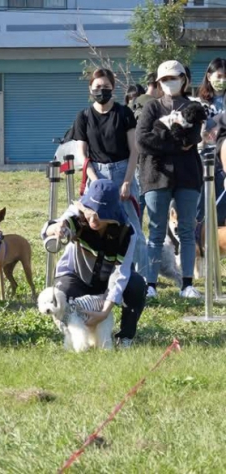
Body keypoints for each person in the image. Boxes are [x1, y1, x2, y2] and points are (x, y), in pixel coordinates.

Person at [42, 179, 146, 348]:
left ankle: (125, 337)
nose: (93, 219)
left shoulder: (127, 232)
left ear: (113, 214)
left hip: (107, 282)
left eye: (101, 215)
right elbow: (51, 228)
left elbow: (120, 274)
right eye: (90, 212)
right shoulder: (77, 216)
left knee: (136, 285)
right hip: (76, 276)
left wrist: (104, 312)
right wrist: (56, 229)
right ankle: (72, 333)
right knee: (60, 295)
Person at [136, 60, 203, 299]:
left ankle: (187, 283)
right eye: (164, 79)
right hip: (156, 176)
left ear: (184, 79)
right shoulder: (151, 107)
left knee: (187, 230)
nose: (169, 82)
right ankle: (150, 284)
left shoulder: (194, 107)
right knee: (156, 231)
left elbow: (191, 139)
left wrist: (162, 137)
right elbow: (142, 140)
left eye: (174, 78)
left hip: (188, 175)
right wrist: (173, 141)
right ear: (158, 82)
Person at [71, 68, 147, 274]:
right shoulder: (83, 116)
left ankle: (142, 280)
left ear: (113, 88)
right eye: (97, 86)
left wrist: (127, 182)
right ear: (90, 88)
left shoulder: (124, 113)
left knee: (133, 229)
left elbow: (134, 150)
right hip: (96, 174)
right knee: (96, 226)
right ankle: (102, 274)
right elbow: (82, 154)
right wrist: (96, 181)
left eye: (106, 86)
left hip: (123, 171)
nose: (101, 90)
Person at [193, 58, 226, 225]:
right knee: (201, 200)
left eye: (225, 77)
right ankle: (197, 233)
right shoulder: (199, 102)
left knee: (222, 201)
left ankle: (219, 233)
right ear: (209, 76)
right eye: (219, 76)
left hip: (224, 155)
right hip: (204, 155)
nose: (222, 80)